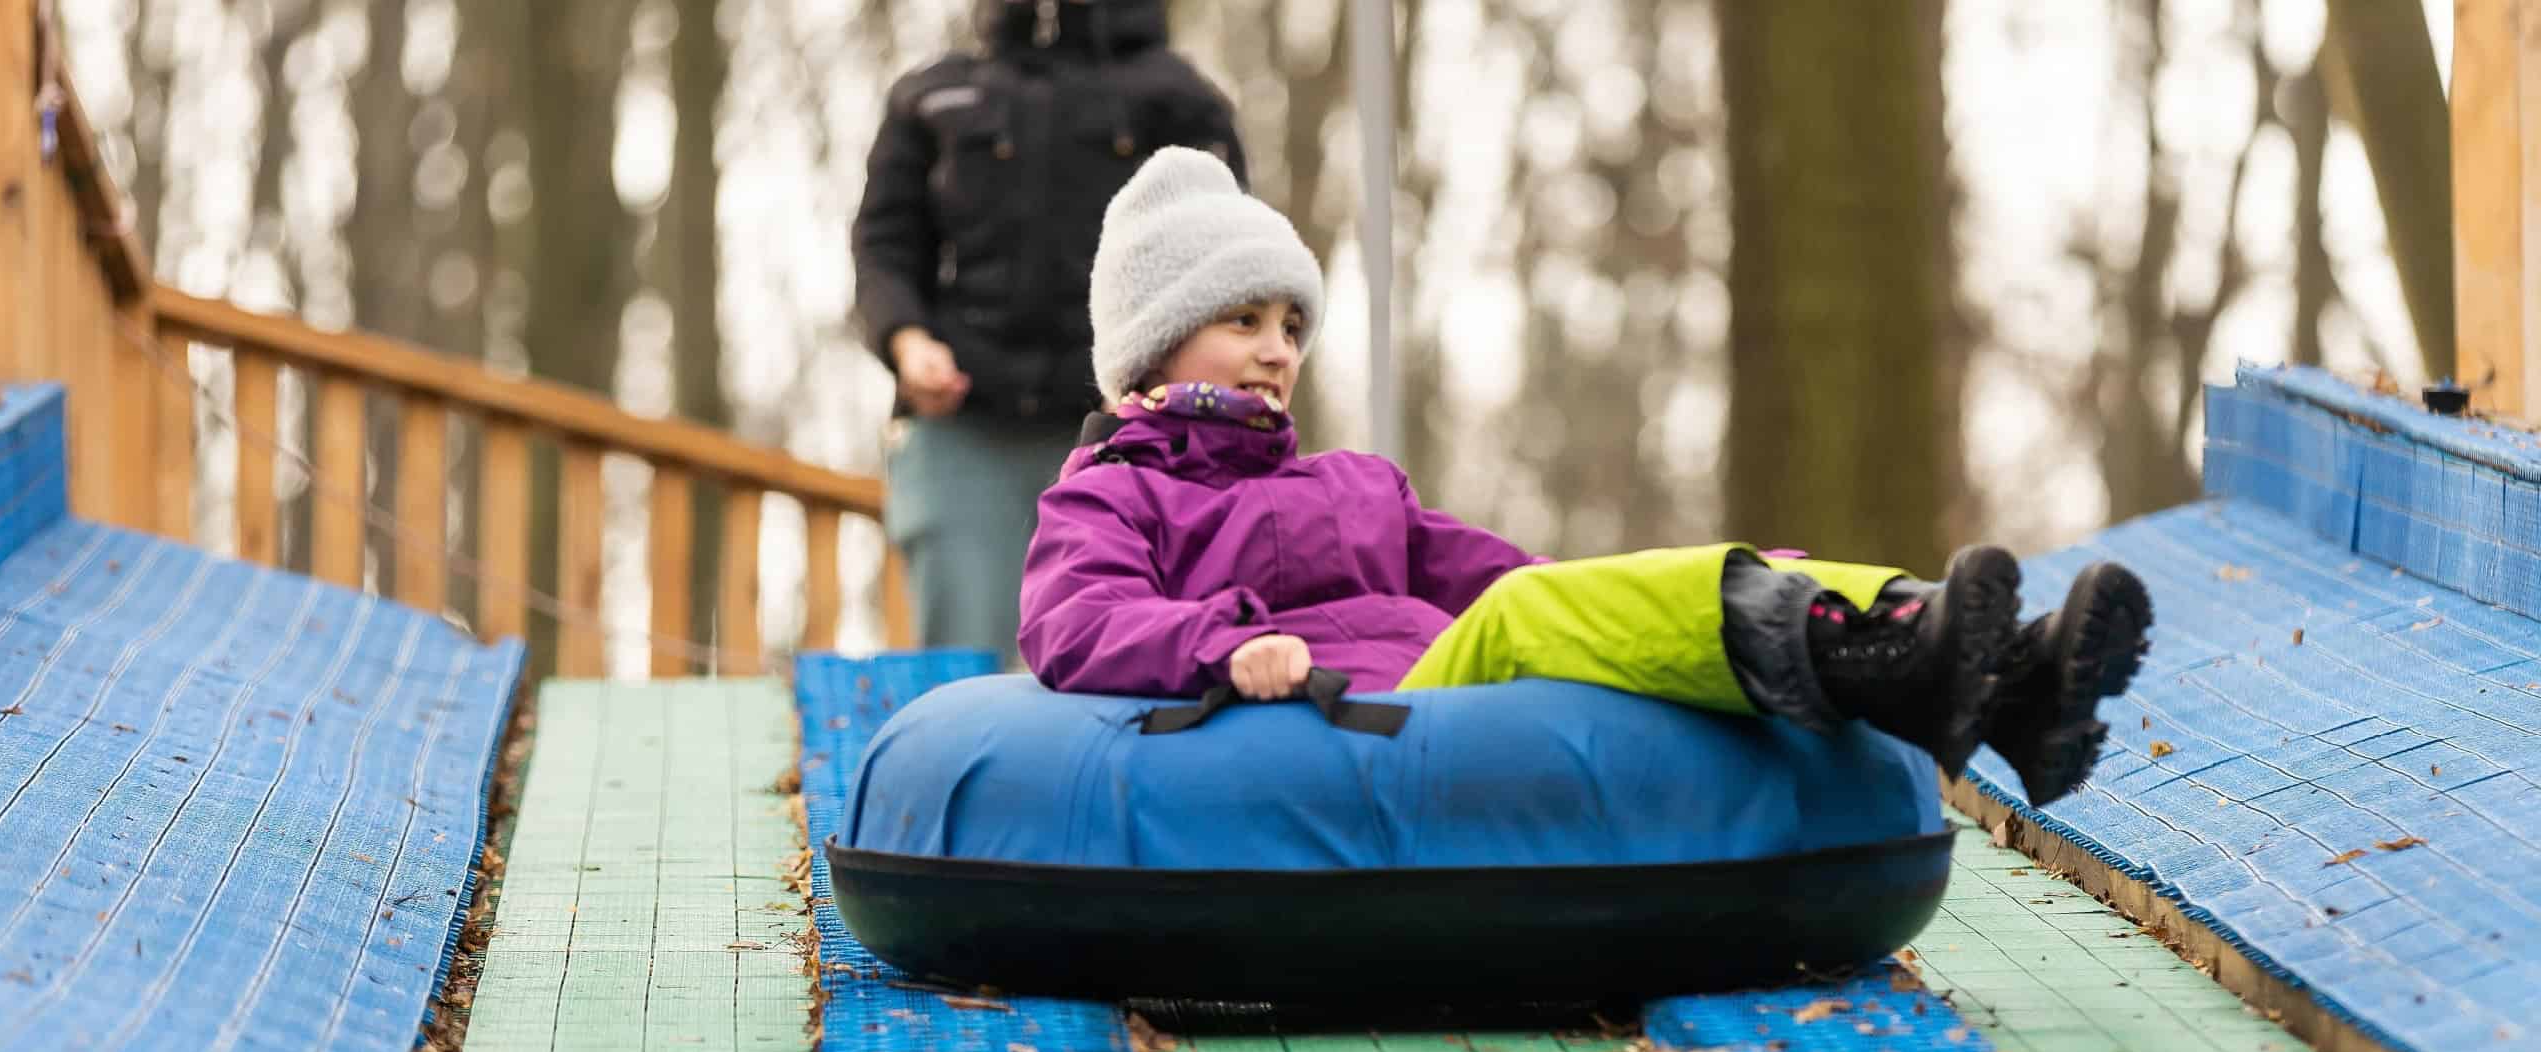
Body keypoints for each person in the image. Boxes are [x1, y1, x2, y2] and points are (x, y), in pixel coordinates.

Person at [1018, 148, 2152, 806]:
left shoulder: (1356, 484)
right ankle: (1890, 652)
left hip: (1465, 701)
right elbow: (1074, 621)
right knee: (1524, 612)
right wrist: (1222, 645)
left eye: (1288, 324)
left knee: (1570, 591)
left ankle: (2000, 679)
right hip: (1370, 719)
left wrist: (1679, 585)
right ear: (1152, 346)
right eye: (1240, 321)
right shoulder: (1115, 491)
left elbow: (1520, 573)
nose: (1276, 350)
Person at [853, 0, 1247, 664]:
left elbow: (1219, 264)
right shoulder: (933, 97)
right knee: (963, 676)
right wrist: (907, 341)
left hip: (1131, 439)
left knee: (1132, 663)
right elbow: (885, 246)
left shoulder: (1180, 100)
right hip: (965, 432)